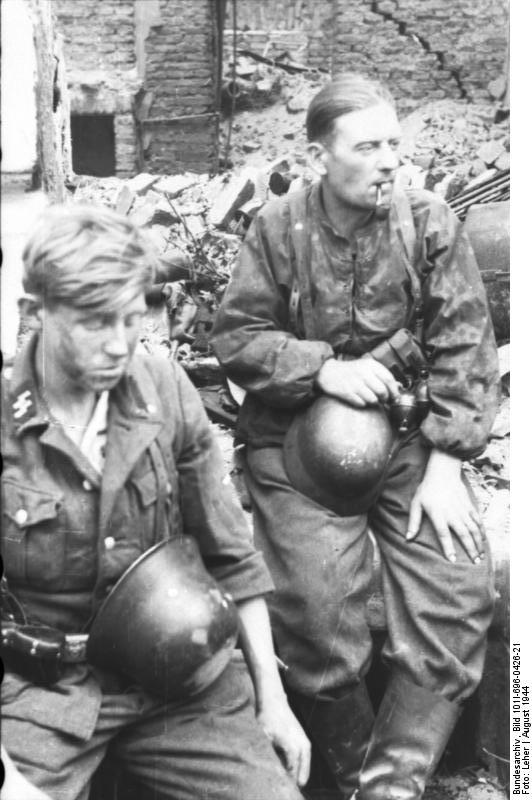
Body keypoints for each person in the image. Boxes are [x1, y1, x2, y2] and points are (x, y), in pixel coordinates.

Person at [210, 73, 500, 800]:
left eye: (394, 145)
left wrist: (444, 464)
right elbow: (237, 335)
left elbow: (468, 347)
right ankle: (348, 773)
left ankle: (390, 786)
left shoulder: (430, 222)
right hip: (293, 451)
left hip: (407, 448)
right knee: (311, 609)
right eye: (366, 147)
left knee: (458, 584)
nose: (388, 161)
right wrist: (323, 371)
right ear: (319, 158)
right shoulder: (278, 226)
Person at [0, 204, 311, 800]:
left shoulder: (165, 388)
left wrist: (273, 702)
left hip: (182, 687)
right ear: (33, 314)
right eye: (96, 322)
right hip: (46, 696)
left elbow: (230, 556)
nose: (121, 344)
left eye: (132, 317)